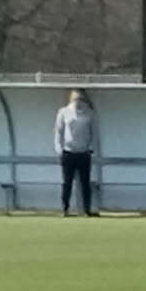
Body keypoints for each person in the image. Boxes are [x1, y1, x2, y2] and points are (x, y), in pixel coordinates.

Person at [54, 88, 97, 216]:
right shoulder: (64, 112)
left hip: (84, 153)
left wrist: (92, 149)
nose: (78, 102)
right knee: (67, 183)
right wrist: (58, 148)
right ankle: (65, 209)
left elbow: (94, 132)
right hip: (68, 152)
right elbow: (58, 131)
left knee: (85, 183)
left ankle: (86, 210)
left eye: (80, 99)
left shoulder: (89, 113)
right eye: (75, 99)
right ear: (71, 99)